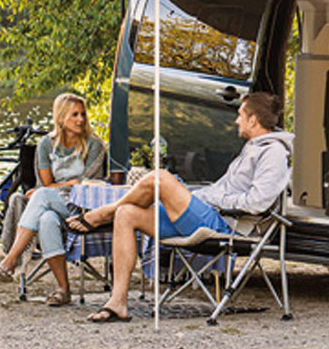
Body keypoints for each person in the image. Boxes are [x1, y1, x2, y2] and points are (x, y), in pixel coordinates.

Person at [68, 92, 291, 323]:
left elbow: (257, 202)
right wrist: (204, 195)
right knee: (127, 213)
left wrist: (216, 198)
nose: (237, 121)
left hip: (226, 224)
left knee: (160, 178)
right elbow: (224, 189)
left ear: (253, 120)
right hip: (209, 212)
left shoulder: (273, 153)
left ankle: (103, 213)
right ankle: (118, 302)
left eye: (240, 115)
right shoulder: (252, 148)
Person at [0, 92, 106, 305]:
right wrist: (60, 186)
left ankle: (9, 262)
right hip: (53, 204)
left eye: (83, 114)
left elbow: (86, 184)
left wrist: (55, 189)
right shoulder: (46, 145)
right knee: (46, 219)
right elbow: (45, 183)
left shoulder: (94, 145)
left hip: (83, 208)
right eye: (74, 114)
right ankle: (63, 290)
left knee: (43, 196)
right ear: (60, 118)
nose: (81, 119)